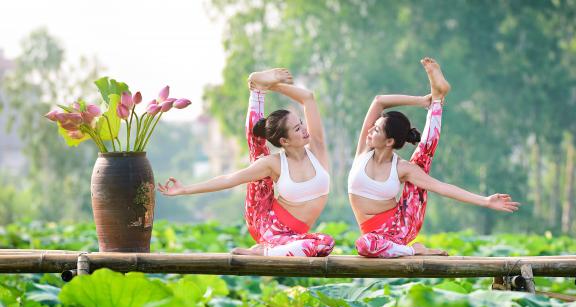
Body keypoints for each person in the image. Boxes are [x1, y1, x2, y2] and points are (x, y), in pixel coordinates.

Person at [348, 58, 520, 258]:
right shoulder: (363, 151)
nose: (369, 130)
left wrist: (486, 201)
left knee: (422, 158)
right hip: (375, 238)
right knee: (364, 243)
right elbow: (379, 101)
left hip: (401, 227)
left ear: (389, 142)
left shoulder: (402, 168)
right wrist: (422, 100)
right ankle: (436, 99)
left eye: (376, 129)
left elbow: (442, 188)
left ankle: (438, 98)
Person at [158, 69, 334, 257]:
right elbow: (229, 179)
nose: (305, 130)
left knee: (321, 244)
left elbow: (308, 98)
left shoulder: (317, 148)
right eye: (298, 128)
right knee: (325, 243)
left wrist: (273, 85)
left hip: (292, 238)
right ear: (284, 141)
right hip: (266, 225)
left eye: (301, 123)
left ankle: (258, 89)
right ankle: (263, 251)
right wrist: (185, 190)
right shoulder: (273, 164)